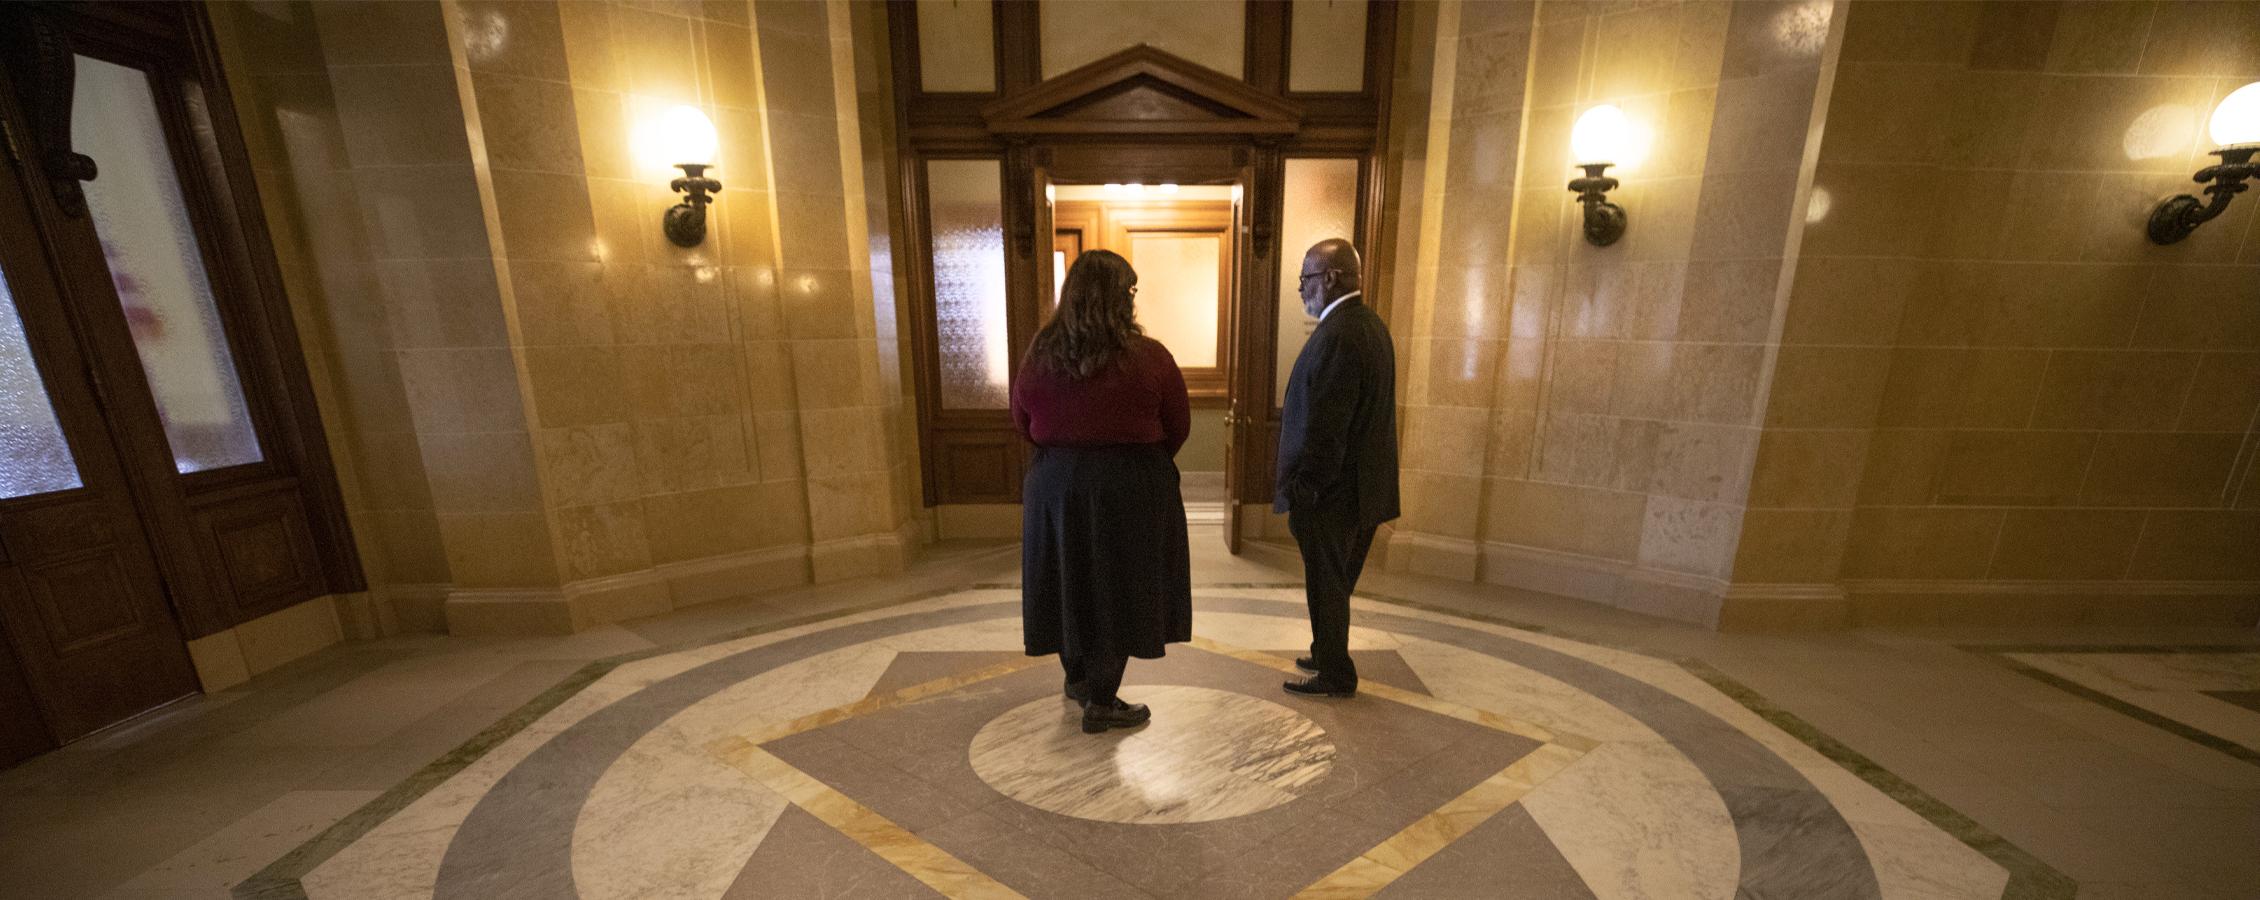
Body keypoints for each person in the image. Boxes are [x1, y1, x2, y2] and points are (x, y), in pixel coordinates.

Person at [1012, 249, 1193, 734]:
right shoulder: (1148, 356)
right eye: (1129, 292)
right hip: (1129, 486)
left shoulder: (1040, 355)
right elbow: (1178, 425)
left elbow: (1023, 421)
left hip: (1055, 488)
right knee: (1121, 586)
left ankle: (1079, 678)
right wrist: (1134, 460)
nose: (1133, 302)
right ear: (1117, 299)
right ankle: (1103, 698)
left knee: (1067, 580)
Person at [1276, 239, 1398, 698]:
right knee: (1337, 580)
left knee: (1326, 582)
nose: (1301, 290)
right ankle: (1326, 652)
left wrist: (1304, 488)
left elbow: (1328, 427)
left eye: (1306, 279)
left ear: (1329, 279)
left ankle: (1336, 675)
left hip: (1333, 495)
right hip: (1363, 490)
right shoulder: (1369, 326)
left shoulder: (1339, 335)